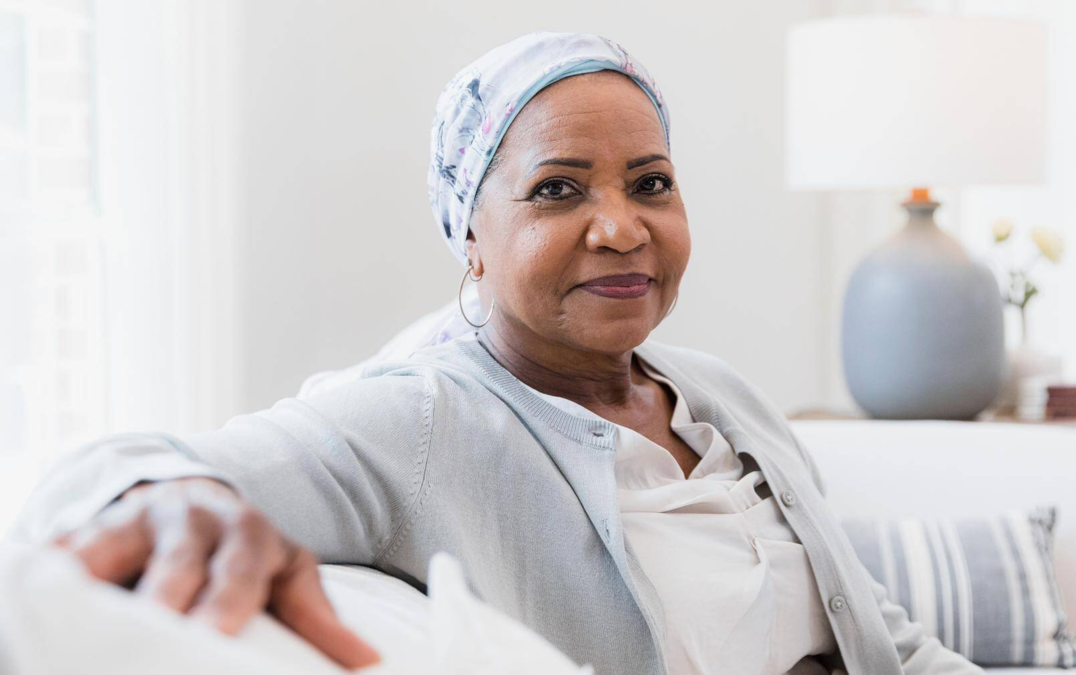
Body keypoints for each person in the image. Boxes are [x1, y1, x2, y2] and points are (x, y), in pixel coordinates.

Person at [13, 32, 983, 675]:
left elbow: (881, 632)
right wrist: (167, 495)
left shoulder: (720, 393)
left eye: (651, 183)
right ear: (470, 236)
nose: (622, 228)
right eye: (558, 190)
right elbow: (95, 477)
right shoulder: (423, 419)